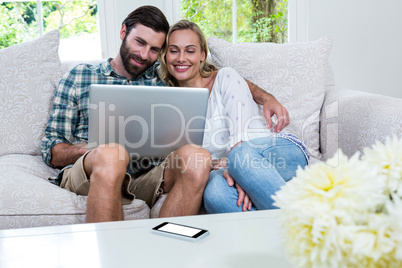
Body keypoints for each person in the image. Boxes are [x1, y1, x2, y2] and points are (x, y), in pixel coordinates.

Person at [41, 5, 289, 223]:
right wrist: (91, 149)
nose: (143, 55)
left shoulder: (159, 80)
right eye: (140, 42)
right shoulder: (79, 76)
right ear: (123, 33)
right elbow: (51, 149)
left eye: (153, 50)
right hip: (93, 170)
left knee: (198, 156)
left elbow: (214, 77)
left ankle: (165, 256)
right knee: (112, 154)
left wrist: (265, 97)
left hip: (147, 175)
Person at [158, 20, 309, 213]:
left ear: (202, 55)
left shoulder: (225, 77)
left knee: (239, 157)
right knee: (214, 194)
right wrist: (235, 173)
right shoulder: (170, 104)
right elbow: (197, 161)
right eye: (173, 50)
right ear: (165, 56)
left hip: (274, 151)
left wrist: (240, 174)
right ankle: (276, 237)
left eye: (190, 50)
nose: (181, 58)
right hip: (228, 167)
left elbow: (241, 138)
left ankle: (306, 230)